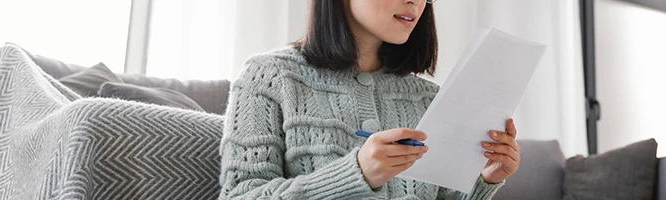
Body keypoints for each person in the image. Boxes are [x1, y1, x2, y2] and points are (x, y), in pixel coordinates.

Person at [218, 0, 521, 199]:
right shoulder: (269, 76)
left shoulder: (428, 97)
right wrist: (355, 174)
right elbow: (240, 195)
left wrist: (485, 179)